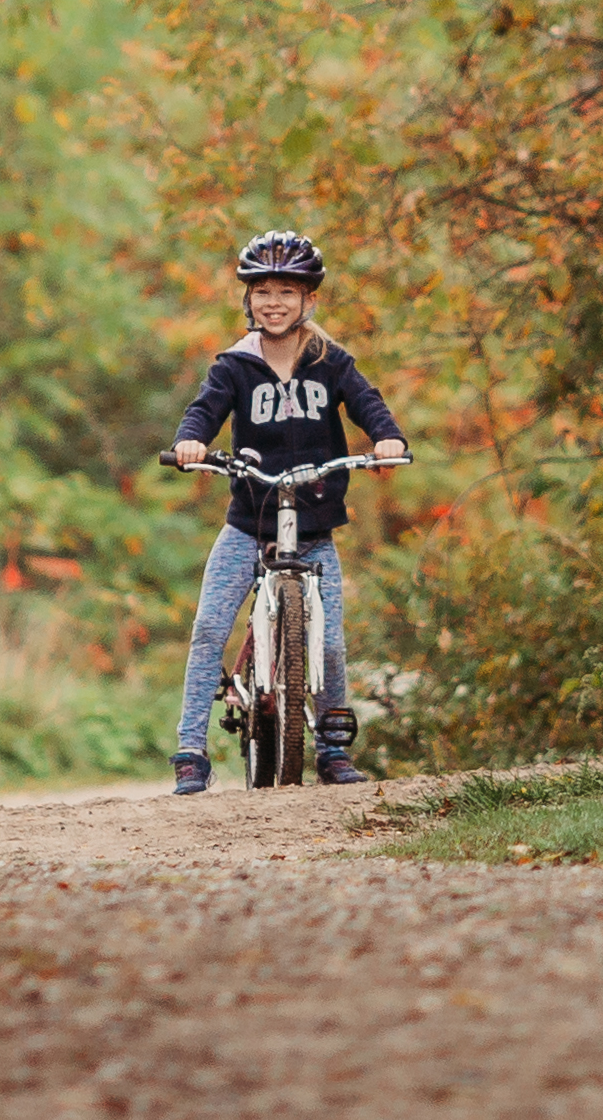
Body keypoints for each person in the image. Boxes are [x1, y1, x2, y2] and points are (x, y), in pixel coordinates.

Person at [164, 227, 406, 792]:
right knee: (208, 627)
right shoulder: (234, 365)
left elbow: (369, 404)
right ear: (247, 299)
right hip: (249, 524)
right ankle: (190, 750)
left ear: (309, 300)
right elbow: (204, 412)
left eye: (288, 292)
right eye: (264, 291)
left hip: (315, 528)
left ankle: (332, 749)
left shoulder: (330, 361)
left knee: (332, 642)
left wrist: (387, 438)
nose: (275, 303)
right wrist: (189, 442)